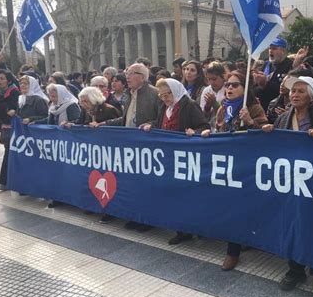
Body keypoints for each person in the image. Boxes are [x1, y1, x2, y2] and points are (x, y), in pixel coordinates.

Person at [263, 76, 313, 290]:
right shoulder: (283, 118)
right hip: (288, 181)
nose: (295, 95)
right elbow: (274, 148)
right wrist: (269, 131)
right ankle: (295, 270)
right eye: (293, 91)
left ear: (311, 97)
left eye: (301, 91)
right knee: (292, 222)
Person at [201, 70, 268, 271]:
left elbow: (266, 135)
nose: (229, 88)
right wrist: (207, 133)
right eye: (228, 85)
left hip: (246, 168)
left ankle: (233, 252)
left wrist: (249, 122)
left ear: (245, 89)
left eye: (235, 85)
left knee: (238, 208)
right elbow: (217, 131)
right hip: (226, 166)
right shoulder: (222, 109)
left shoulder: (254, 108)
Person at [140, 78, 209, 244]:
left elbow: (204, 126)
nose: (164, 98)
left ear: (176, 90)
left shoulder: (189, 105)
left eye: (167, 94)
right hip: (169, 158)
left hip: (185, 158)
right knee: (174, 194)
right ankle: (181, 229)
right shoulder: (164, 107)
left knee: (186, 195)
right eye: (161, 95)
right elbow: (160, 123)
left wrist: (196, 131)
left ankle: (191, 229)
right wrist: (151, 124)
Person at [100, 63, 160, 232]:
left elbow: (161, 120)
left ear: (143, 76)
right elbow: (125, 119)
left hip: (147, 148)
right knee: (132, 184)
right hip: (129, 147)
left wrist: (150, 124)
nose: (127, 76)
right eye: (126, 73)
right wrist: (104, 123)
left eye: (131, 73)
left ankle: (147, 219)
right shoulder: (129, 94)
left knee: (146, 185)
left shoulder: (154, 94)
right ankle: (135, 215)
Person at [64, 86, 120, 223]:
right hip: (93, 152)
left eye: (85, 101)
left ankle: (110, 211)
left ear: (94, 100)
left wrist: (101, 125)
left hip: (109, 151)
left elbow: (119, 127)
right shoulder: (85, 110)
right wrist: (71, 124)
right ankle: (94, 206)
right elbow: (80, 123)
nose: (83, 104)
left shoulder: (108, 109)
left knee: (109, 182)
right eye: (81, 101)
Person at [0, 70, 20, 190]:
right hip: (4, 127)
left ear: (8, 80)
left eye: (2, 78)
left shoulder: (14, 92)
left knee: (9, 153)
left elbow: (11, 113)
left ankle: (4, 182)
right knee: (10, 153)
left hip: (16, 127)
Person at [252, 37, 293, 111]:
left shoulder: (291, 66)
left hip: (277, 109)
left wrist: (265, 84)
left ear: (283, 51)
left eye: (274, 48)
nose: (271, 51)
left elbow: (288, 90)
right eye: (270, 48)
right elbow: (256, 87)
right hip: (262, 107)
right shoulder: (266, 65)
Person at [199, 61, 225, 130]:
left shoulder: (228, 89)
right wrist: (207, 107)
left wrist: (215, 104)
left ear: (223, 76)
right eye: (209, 79)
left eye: (214, 79)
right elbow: (203, 116)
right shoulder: (206, 90)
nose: (212, 82)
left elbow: (227, 113)